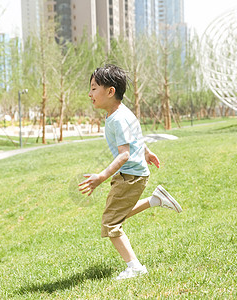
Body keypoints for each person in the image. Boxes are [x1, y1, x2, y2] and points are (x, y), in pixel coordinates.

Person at [78, 64, 182, 280]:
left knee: (111, 224)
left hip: (131, 176)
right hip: (133, 174)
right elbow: (136, 137)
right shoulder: (122, 113)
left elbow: (124, 154)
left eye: (94, 88)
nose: (90, 94)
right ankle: (155, 200)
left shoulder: (118, 118)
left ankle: (134, 267)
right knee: (115, 216)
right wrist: (147, 152)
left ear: (110, 91)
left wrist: (101, 177)